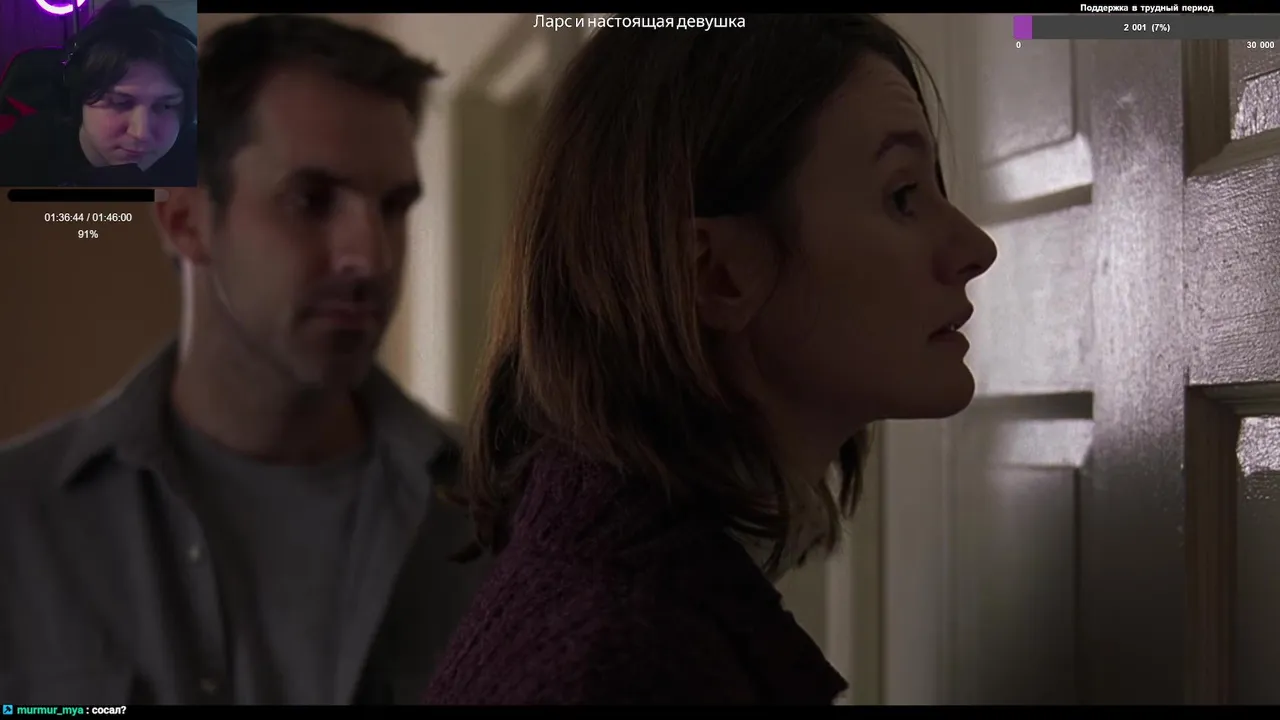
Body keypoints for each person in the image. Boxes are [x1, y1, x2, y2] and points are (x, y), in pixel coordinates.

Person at [423, 13, 999, 705]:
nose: (975, 248)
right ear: (715, 273)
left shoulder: (603, 589)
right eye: (903, 196)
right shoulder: (625, 663)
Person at [0, 15, 487, 704]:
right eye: (312, 200)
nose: (372, 257)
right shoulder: (19, 525)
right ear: (185, 220)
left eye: (394, 207)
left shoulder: (495, 514)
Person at [0, 0, 197, 188]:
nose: (141, 134)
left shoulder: (200, 158)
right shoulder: (17, 157)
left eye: (165, 106)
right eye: (120, 103)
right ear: (77, 98)